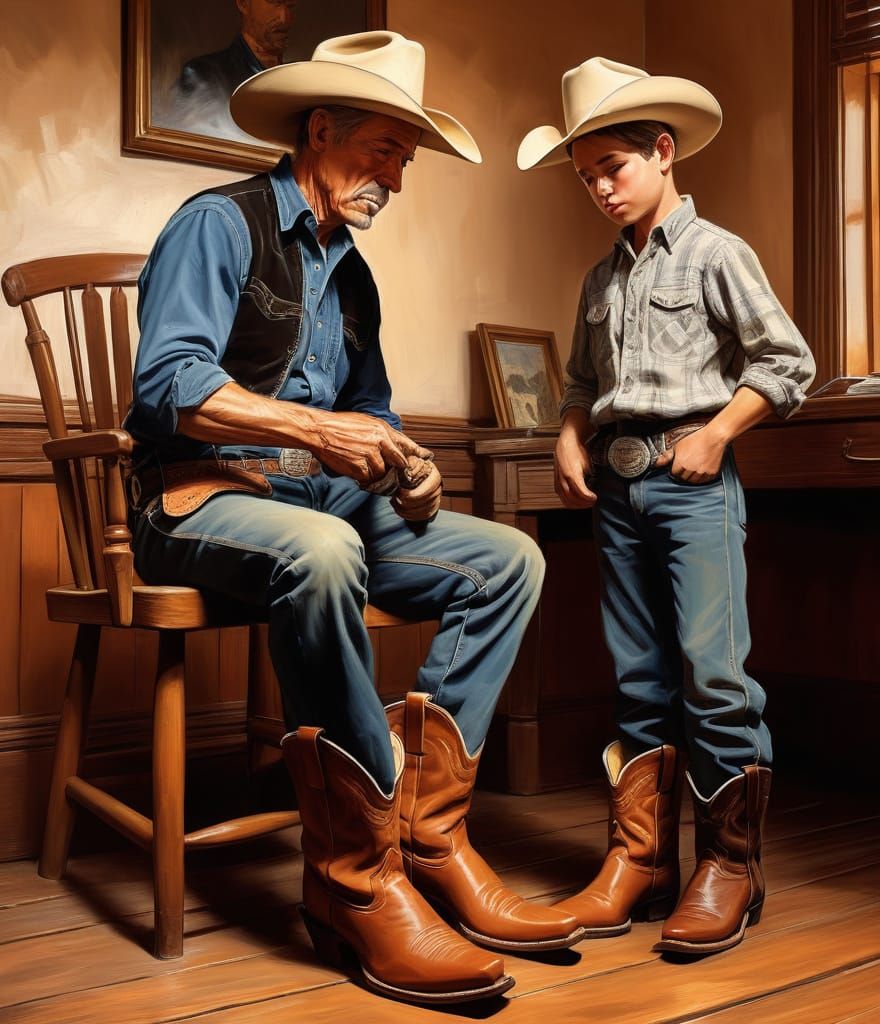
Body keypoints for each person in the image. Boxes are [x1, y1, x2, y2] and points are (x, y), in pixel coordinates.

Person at [127, 31, 581, 1006]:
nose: (398, 179)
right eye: (385, 151)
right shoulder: (219, 223)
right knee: (327, 551)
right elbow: (169, 384)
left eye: (406, 160)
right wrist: (319, 433)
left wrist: (408, 468)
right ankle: (354, 879)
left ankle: (424, 834)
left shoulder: (354, 274)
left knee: (509, 560)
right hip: (201, 494)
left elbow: (368, 420)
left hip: (325, 502)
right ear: (320, 130)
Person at [517, 57, 815, 955]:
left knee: (712, 675)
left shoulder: (719, 254)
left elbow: (786, 363)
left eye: (613, 169)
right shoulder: (598, 282)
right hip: (618, 490)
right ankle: (641, 863)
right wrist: (569, 437)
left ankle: (731, 868)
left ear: (662, 150)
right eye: (585, 178)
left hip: (694, 490)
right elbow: (578, 382)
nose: (601, 190)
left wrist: (718, 434)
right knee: (639, 680)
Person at [168, 0, 299, 140]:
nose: (285, 18)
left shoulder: (299, 83)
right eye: (274, 3)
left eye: (290, 5)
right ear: (243, 3)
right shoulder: (201, 76)